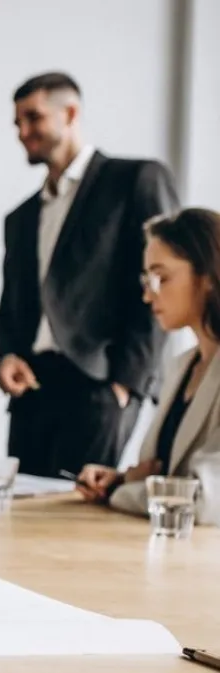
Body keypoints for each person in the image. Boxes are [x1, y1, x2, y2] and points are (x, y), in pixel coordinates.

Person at [0, 72, 179, 478]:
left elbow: (164, 280)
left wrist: (125, 386)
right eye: (17, 123)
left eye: (33, 118)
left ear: (70, 113)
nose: (23, 132)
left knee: (78, 525)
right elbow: (10, 305)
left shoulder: (135, 180)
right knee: (19, 524)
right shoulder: (20, 218)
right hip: (31, 392)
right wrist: (7, 354)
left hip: (99, 386)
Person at [77, 208, 220, 525]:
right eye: (146, 279)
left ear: (209, 276)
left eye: (161, 278)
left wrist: (121, 494)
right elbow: (165, 475)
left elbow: (203, 502)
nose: (147, 295)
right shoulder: (181, 367)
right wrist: (122, 479)